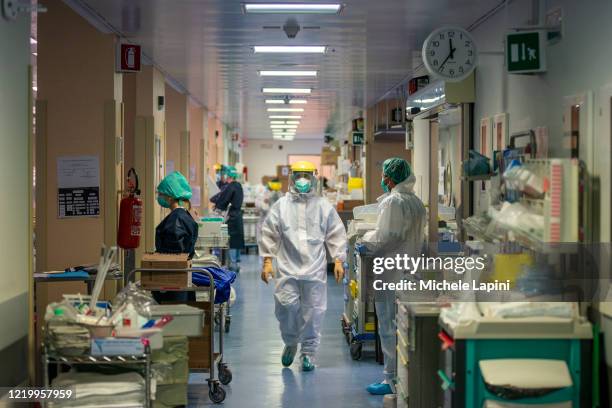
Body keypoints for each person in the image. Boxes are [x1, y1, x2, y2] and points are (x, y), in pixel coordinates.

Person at [259, 161, 347, 372]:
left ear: (314, 177)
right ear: (291, 177)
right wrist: (268, 261)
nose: (303, 180)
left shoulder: (323, 206)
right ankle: (290, 342)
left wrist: (338, 260)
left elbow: (335, 233)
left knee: (314, 312)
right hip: (288, 268)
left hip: (314, 270)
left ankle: (308, 353)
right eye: (299, 175)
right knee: (286, 306)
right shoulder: (281, 206)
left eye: (307, 175)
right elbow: (269, 233)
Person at [360, 158, 426, 397]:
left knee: (388, 325)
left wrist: (365, 241)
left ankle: (391, 380)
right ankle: (406, 378)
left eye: (385, 176)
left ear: (392, 177)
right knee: (405, 327)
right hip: (410, 271)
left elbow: (387, 237)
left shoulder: (393, 202)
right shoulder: (416, 202)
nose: (383, 180)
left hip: (390, 271)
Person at [154, 171, 199, 302]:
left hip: (173, 276)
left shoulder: (176, 219)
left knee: (174, 312)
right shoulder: (184, 215)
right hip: (182, 273)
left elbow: (174, 252)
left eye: (161, 194)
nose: (159, 197)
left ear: (170, 197)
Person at [210, 165, 244, 272]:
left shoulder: (231, 186)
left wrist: (217, 207)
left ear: (228, 176)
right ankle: (237, 263)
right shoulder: (239, 186)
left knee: (232, 240)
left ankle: (233, 265)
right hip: (238, 215)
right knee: (238, 240)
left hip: (232, 217)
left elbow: (224, 199)